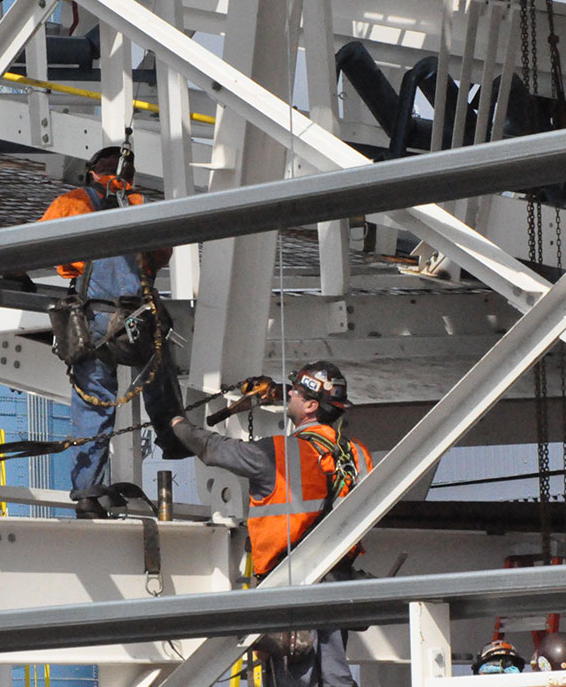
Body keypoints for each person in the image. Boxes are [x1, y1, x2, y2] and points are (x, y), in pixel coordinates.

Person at [170, 361, 373, 687]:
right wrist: (274, 392)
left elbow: (213, 449)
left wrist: (178, 423)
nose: (288, 391)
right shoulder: (358, 455)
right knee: (333, 671)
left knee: (300, 676)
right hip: (338, 580)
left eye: (296, 390)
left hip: (291, 582)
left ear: (310, 405)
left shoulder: (280, 454)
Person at [40, 145, 191, 517]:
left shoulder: (72, 202)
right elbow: (160, 255)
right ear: (131, 176)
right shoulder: (141, 206)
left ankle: (89, 493)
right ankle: (173, 437)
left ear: (92, 173)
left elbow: (40, 247)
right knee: (158, 372)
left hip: (92, 324)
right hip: (135, 320)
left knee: (92, 401)